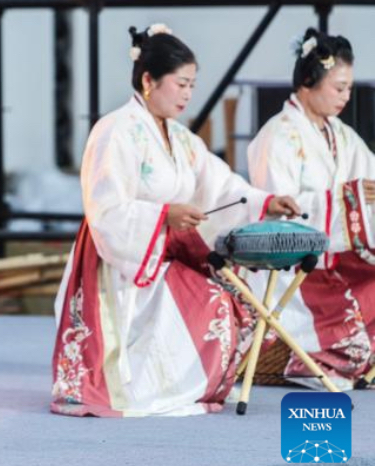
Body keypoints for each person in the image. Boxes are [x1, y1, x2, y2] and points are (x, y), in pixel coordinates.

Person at [50, 24, 301, 417]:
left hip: (165, 248)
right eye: (180, 84)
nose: (187, 94)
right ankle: (165, 383)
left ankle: (185, 383)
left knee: (234, 298)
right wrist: (165, 214)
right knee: (213, 301)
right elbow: (106, 208)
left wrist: (265, 201)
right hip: (125, 258)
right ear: (148, 81)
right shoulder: (115, 130)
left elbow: (219, 185)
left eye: (191, 86)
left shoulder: (181, 138)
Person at [246, 28, 375, 387]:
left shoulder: (342, 135)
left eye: (349, 88)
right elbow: (278, 210)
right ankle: (319, 360)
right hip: (293, 264)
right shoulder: (277, 135)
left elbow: (368, 175)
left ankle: (355, 359)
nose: (346, 97)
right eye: (338, 88)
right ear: (308, 81)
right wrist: (348, 199)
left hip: (335, 252)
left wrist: (360, 195)